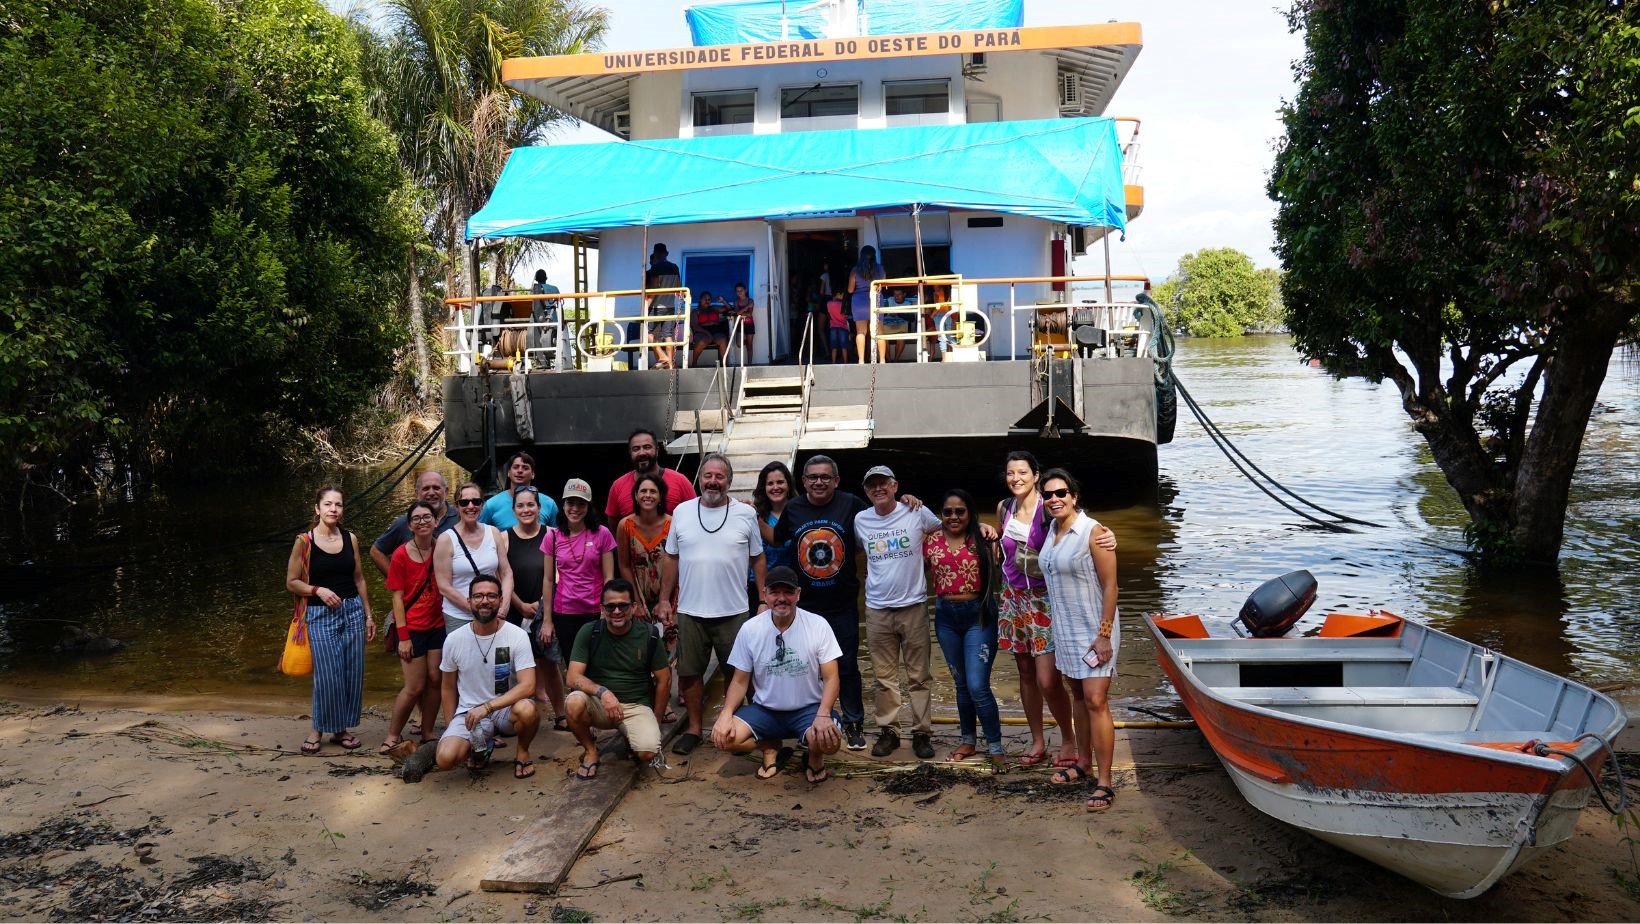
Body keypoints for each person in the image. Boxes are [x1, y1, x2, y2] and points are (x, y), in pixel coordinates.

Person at [855, 465, 991, 759]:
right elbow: (862, 554)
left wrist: (981, 528)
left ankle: (921, 733)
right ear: (866, 491)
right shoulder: (860, 520)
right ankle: (889, 732)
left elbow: (951, 529)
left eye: (883, 484)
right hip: (877, 608)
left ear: (895, 486)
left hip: (914, 605)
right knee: (883, 676)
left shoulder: (917, 512)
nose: (878, 489)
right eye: (871, 486)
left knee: (919, 676)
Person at [995, 451, 1115, 768]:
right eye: (1010, 473)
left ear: (1036, 475)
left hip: (1046, 599)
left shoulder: (1049, 509)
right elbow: (1005, 549)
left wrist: (1109, 536)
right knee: (1024, 672)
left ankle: (1069, 740)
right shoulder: (1004, 508)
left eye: (1022, 472)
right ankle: (1037, 741)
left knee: (1049, 679)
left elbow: (1079, 530)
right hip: (1013, 598)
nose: (1015, 478)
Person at [655, 453, 765, 755]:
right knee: (689, 673)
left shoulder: (744, 514)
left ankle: (733, 723)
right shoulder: (682, 511)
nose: (713, 481)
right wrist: (664, 599)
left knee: (738, 672)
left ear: (729, 481)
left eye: (719, 476)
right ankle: (693, 728)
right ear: (699, 478)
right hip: (691, 610)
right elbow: (672, 557)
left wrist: (764, 599)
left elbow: (758, 557)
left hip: (734, 611)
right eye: (708, 476)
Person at [773, 455, 876, 750]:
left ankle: (855, 722)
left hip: (842, 604)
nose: (819, 482)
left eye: (825, 477)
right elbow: (777, 539)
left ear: (836, 481)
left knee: (846, 666)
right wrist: (750, 512)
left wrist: (907, 501)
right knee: (806, 667)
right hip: (804, 608)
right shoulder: (792, 508)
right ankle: (815, 723)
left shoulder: (852, 504)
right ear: (803, 481)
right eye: (813, 477)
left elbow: (881, 522)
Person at [711, 566, 843, 784]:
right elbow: (739, 680)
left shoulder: (818, 625)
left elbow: (832, 678)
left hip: (808, 709)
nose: (782, 598)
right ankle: (769, 747)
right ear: (765, 595)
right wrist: (725, 713)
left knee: (829, 742)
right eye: (775, 592)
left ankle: (814, 755)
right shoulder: (750, 629)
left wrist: (823, 714)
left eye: (788, 592)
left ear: (798, 594)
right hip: (765, 710)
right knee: (723, 738)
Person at [1038, 469, 1120, 812]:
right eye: (1049, 495)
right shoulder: (1052, 531)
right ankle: (1082, 763)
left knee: (1096, 700)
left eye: (1061, 493)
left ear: (1074, 496)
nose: (1054, 499)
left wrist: (1103, 636)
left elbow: (1111, 586)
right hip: (1066, 629)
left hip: (1094, 628)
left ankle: (1105, 782)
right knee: (1077, 695)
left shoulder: (1093, 532)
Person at [414, 574, 539, 781]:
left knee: (528, 709)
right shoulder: (454, 640)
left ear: (500, 600)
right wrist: (451, 725)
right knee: (446, 760)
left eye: (491, 596)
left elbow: (528, 686)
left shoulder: (517, 635)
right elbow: (447, 687)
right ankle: (481, 746)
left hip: (505, 710)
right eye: (478, 596)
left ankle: (523, 752)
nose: (485, 601)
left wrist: (488, 707)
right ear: (469, 601)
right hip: (469, 712)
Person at [285, 486, 376, 755]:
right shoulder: (305, 541)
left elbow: (359, 578)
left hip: (352, 611)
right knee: (327, 675)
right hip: (319, 613)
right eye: (327, 504)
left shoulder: (351, 538)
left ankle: (340, 730)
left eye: (338, 504)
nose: (333, 509)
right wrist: (318, 590)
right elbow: (291, 582)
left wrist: (369, 615)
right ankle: (317, 729)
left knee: (351, 673)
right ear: (317, 509)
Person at [564, 579, 673, 779]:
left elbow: (664, 679)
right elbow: (572, 677)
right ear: (602, 608)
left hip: (636, 705)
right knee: (573, 702)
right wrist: (603, 692)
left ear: (634, 607)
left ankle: (630, 735)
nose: (616, 611)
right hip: (600, 704)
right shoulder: (590, 631)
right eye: (610, 606)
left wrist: (656, 718)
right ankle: (590, 751)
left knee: (648, 752)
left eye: (622, 605)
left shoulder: (649, 635)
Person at [926, 489, 1004, 767]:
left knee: (977, 685)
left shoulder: (984, 539)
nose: (953, 516)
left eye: (960, 511)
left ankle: (995, 746)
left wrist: (988, 529)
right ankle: (968, 741)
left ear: (969, 512)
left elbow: (1013, 563)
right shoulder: (931, 540)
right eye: (948, 511)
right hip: (946, 617)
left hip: (978, 616)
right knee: (961, 684)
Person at [382, 499, 444, 754]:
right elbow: (397, 597)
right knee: (414, 686)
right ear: (409, 525)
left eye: (427, 517)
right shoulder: (400, 555)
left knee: (435, 679)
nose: (422, 522)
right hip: (413, 626)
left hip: (438, 624)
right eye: (416, 518)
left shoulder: (442, 547)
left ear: (436, 521)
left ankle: (428, 731)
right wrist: (403, 636)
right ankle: (392, 735)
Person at [540, 478, 617, 680]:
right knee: (573, 666)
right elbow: (548, 579)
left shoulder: (602, 534)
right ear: (563, 505)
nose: (575, 509)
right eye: (570, 503)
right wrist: (547, 621)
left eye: (581, 504)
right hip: (565, 613)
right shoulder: (553, 537)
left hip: (594, 611)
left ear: (588, 507)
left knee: (599, 664)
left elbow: (609, 576)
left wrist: (606, 608)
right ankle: (578, 708)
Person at [505, 485, 567, 729]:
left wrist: (541, 605)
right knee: (511, 666)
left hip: (545, 610)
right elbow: (502, 576)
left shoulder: (552, 534)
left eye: (531, 504)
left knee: (549, 664)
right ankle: (516, 715)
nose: (526, 509)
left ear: (539, 508)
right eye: (520, 505)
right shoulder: (503, 537)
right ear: (514, 509)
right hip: (514, 609)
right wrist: (519, 604)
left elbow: (560, 575)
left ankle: (561, 714)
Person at [434, 483, 513, 633]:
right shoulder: (446, 539)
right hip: (459, 616)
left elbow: (506, 572)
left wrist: (504, 605)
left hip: (492, 612)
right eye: (464, 502)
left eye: (476, 501)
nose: (471, 506)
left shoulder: (493, 533)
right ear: (456, 507)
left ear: (482, 505)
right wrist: (474, 608)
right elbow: (444, 586)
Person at [371, 471, 458, 574]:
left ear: (446, 491)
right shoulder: (404, 522)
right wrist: (397, 580)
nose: (431, 493)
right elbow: (376, 551)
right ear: (417, 493)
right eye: (425, 488)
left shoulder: (459, 516)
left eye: (436, 488)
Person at [615, 472, 672, 621]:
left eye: (653, 491)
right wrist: (636, 603)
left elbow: (677, 562)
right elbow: (624, 565)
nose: (648, 495)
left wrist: (664, 600)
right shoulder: (625, 525)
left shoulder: (673, 524)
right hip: (638, 598)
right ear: (635, 495)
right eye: (643, 491)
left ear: (660, 496)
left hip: (670, 599)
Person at [606, 428, 696, 521]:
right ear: (630, 453)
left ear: (657, 450)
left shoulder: (680, 481)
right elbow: (615, 529)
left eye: (647, 447)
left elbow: (695, 516)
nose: (642, 453)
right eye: (636, 449)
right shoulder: (618, 486)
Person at [751, 462, 795, 612]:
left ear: (789, 484)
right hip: (760, 588)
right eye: (770, 483)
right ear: (764, 488)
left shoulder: (800, 512)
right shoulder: (754, 515)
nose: (775, 487)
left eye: (780, 482)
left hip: (792, 587)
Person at [480, 451, 559, 532]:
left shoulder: (549, 504)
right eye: (516, 467)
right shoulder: (491, 505)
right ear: (508, 472)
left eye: (525, 468)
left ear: (533, 474)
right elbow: (479, 533)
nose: (520, 471)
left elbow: (558, 537)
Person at [644, 244, 682, 369]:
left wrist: (645, 308)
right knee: (668, 335)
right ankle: (670, 365)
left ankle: (662, 356)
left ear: (655, 254)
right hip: (670, 306)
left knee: (647, 332)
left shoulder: (655, 268)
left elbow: (653, 290)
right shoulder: (674, 267)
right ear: (667, 253)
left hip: (656, 307)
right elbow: (678, 289)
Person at [848, 245, 885, 364]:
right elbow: (882, 285)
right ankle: (883, 360)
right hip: (876, 299)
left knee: (861, 332)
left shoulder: (855, 270)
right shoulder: (880, 269)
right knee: (879, 332)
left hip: (859, 302)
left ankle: (861, 360)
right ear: (874, 256)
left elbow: (850, 290)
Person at [689, 290, 730, 367]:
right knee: (702, 341)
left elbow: (728, 308)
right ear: (700, 300)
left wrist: (723, 301)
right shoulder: (696, 312)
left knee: (723, 339)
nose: (707, 301)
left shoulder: (714, 309)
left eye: (709, 299)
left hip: (715, 331)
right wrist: (707, 333)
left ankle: (724, 364)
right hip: (701, 331)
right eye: (705, 299)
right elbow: (695, 326)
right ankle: (694, 363)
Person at [530, 268, 560, 355]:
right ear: (546, 278)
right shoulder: (555, 289)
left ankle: (541, 359)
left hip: (540, 321)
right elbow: (559, 303)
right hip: (554, 320)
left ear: (536, 279)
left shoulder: (534, 290)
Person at [727, 282, 756, 362]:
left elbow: (749, 314)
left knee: (750, 346)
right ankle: (747, 341)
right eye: (737, 291)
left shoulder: (750, 300)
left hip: (749, 324)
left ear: (745, 290)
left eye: (741, 290)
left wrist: (740, 312)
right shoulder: (736, 302)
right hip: (740, 325)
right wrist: (746, 307)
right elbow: (737, 313)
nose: (739, 292)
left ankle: (750, 364)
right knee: (739, 344)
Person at [826, 291, 850, 364]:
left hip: (833, 326)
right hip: (843, 327)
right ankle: (845, 362)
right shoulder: (843, 304)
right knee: (844, 346)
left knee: (834, 347)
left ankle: (833, 362)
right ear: (837, 294)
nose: (843, 296)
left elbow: (829, 314)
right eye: (842, 294)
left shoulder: (829, 304)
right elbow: (846, 316)